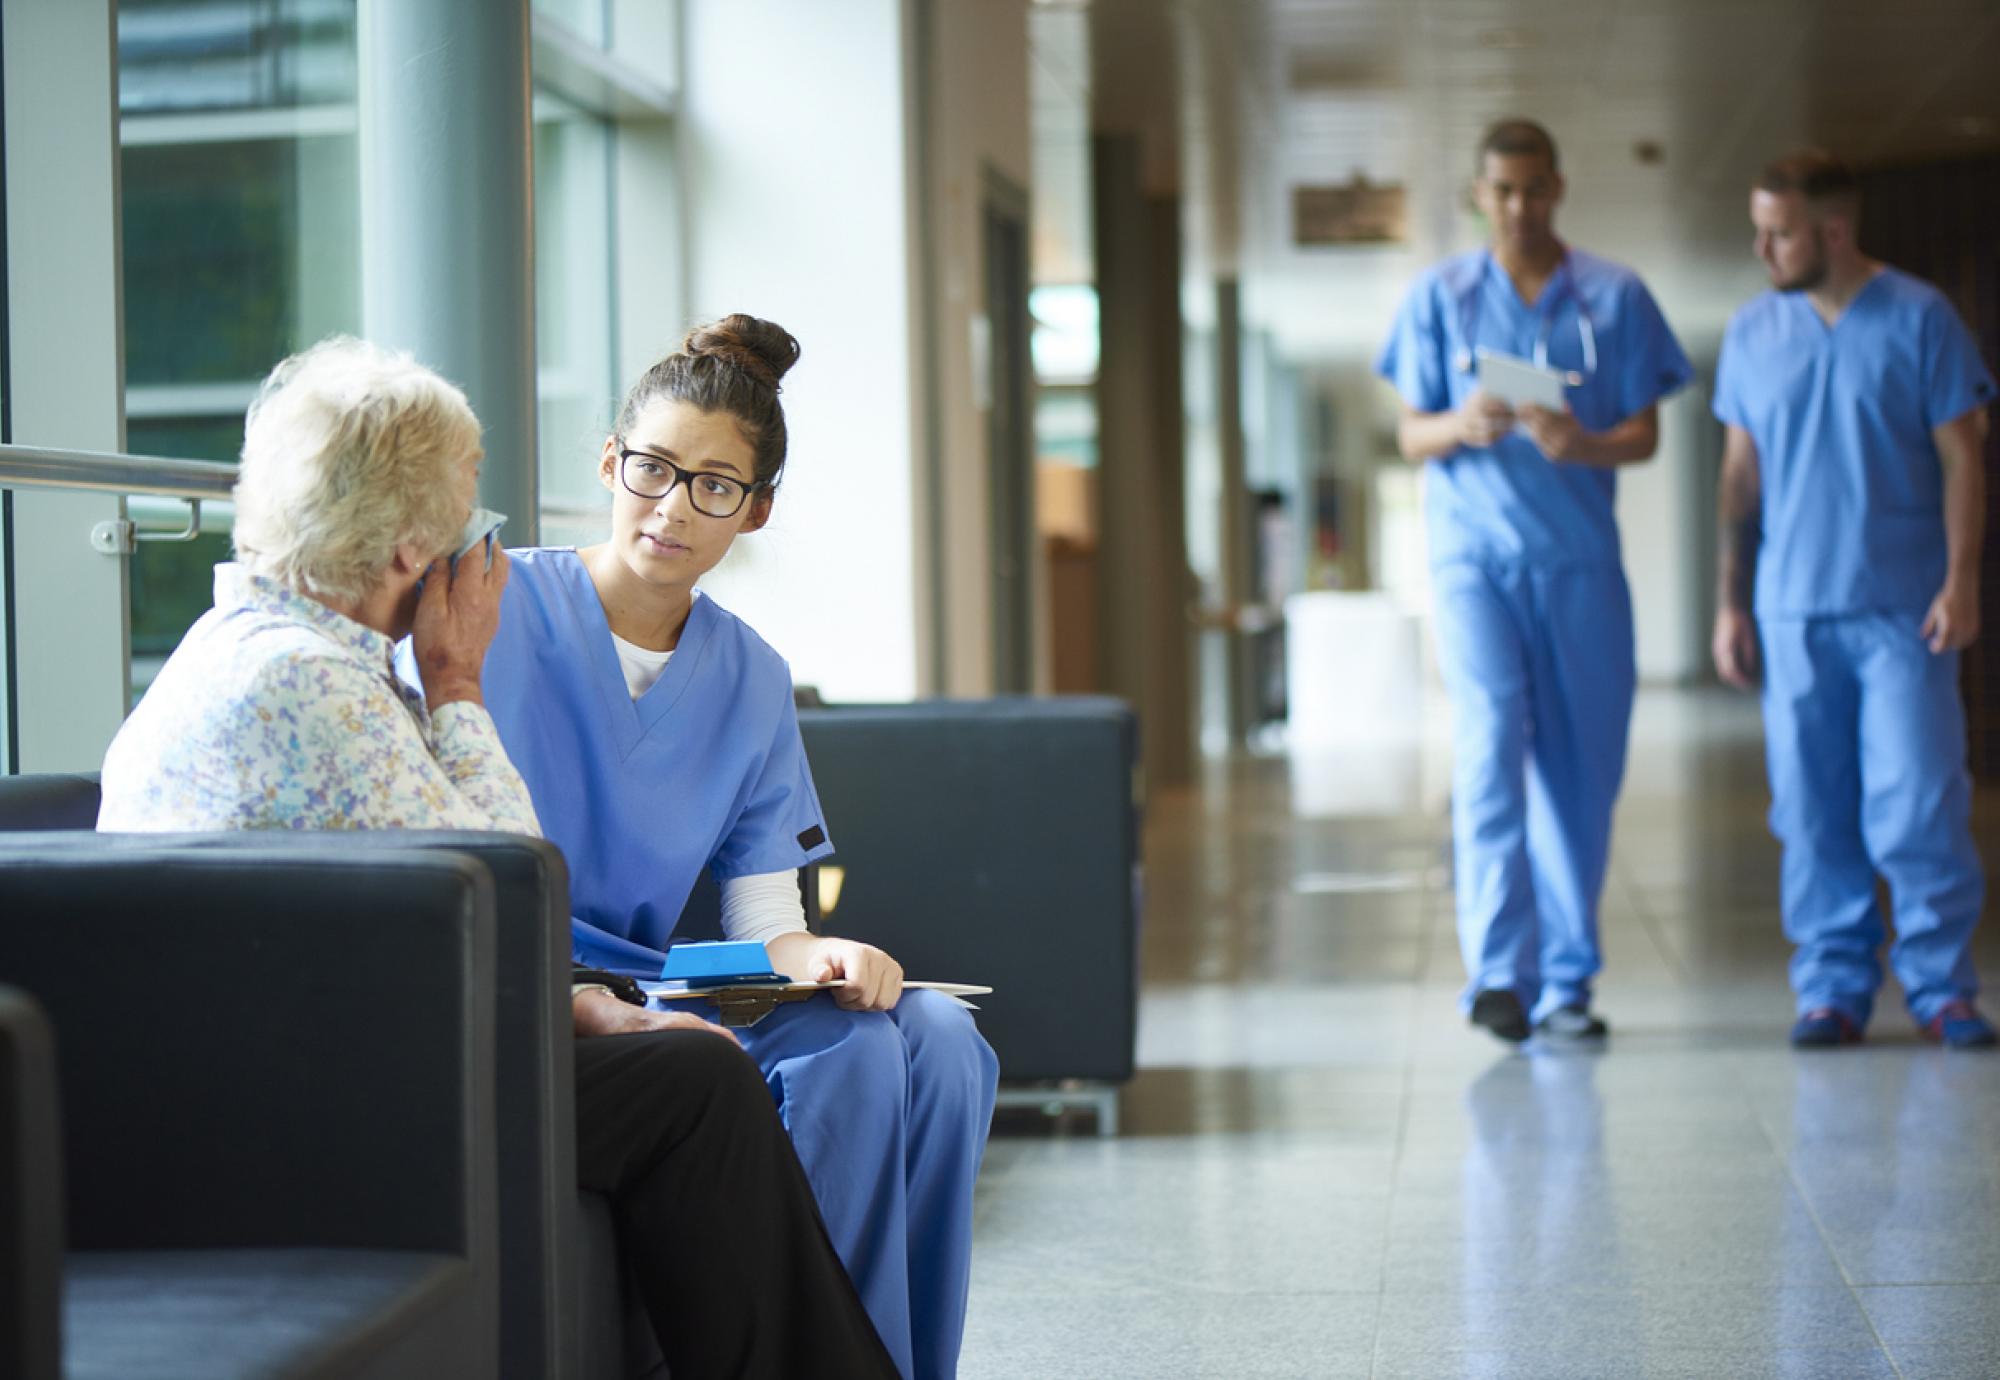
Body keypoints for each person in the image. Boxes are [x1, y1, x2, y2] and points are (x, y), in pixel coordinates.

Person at [96, 338, 901, 1379]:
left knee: (716, 1067)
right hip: (316, 1080)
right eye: (459, 528)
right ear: (402, 553)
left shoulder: (255, 648)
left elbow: (442, 903)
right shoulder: (315, 690)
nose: (473, 556)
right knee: (695, 1080)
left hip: (308, 1039)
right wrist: (462, 683)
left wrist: (572, 1001)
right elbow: (509, 888)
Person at [470, 315, 1000, 1380]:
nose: (671, 508)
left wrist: (827, 957)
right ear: (609, 461)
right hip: (547, 988)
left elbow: (766, 921)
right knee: (854, 1060)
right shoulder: (492, 606)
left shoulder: (750, 673)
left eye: (713, 485)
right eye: (652, 469)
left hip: (675, 987)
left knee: (939, 1041)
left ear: (753, 510)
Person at [1375, 119, 1693, 1044]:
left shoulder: (1613, 295)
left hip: (1580, 566)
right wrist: (1458, 424)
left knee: (1580, 776)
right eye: (1501, 191)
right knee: (1486, 751)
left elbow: (1645, 432)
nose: (1519, 207)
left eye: (1534, 189)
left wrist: (1581, 442)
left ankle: (1566, 981)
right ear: (1479, 195)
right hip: (1474, 559)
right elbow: (1409, 433)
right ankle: (1497, 976)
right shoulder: (1441, 297)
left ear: (1558, 188)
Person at [1711, 150, 1999, 1049]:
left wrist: (1962, 579)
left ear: (1832, 231)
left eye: (1779, 231)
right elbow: (1739, 480)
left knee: (1917, 799)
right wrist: (1730, 603)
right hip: (1793, 608)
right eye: (1757, 227)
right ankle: (1831, 985)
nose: (1761, 248)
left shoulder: (1921, 318)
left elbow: (1964, 457)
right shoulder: (1753, 333)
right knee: (1809, 806)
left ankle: (1940, 984)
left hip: (1903, 608)